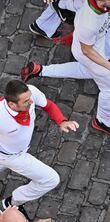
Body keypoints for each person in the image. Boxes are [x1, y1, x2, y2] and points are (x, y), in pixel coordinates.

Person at [0, 80, 79, 213]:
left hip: (9, 151)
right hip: (10, 157)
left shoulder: (30, 93)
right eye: (26, 101)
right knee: (51, 180)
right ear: (12, 104)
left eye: (30, 98)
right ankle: (11, 202)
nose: (31, 102)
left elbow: (49, 105)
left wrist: (62, 121)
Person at [21, 0, 110, 134]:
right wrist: (108, 65)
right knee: (108, 88)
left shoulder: (94, 6)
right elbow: (87, 51)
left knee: (87, 70)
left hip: (100, 43)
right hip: (91, 53)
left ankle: (40, 70)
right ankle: (103, 121)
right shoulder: (89, 22)